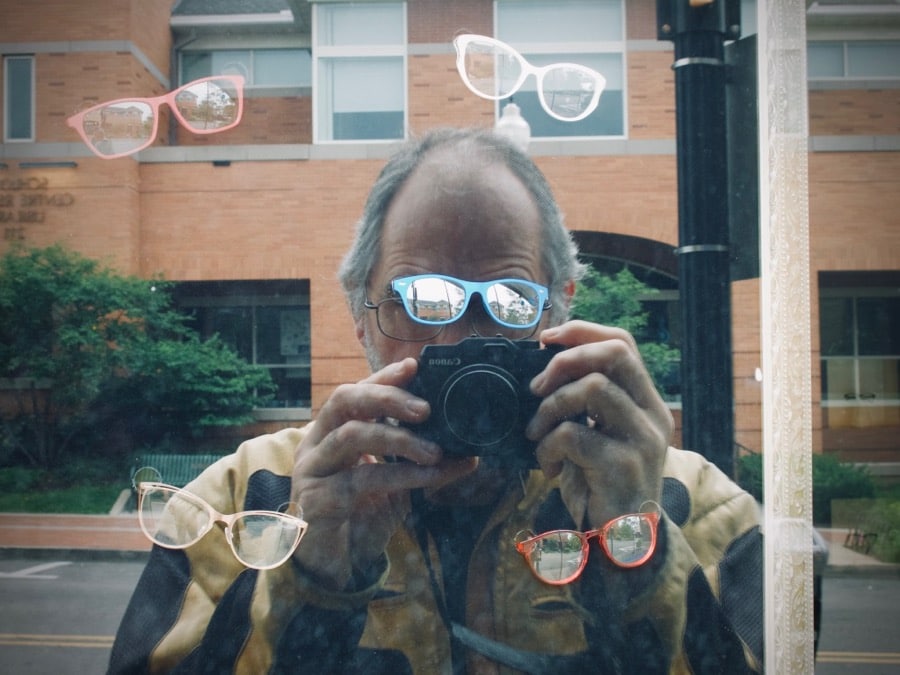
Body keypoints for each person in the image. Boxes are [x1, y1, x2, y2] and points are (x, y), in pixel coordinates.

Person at [108, 127, 763, 674]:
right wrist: (309, 576)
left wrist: (635, 552)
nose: (459, 346)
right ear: (360, 314)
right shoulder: (241, 504)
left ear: (562, 311)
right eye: (421, 300)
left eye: (508, 303)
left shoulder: (698, 508)